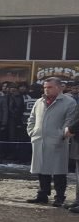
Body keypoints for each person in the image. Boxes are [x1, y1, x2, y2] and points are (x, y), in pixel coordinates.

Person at [26, 77, 78, 207]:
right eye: (45, 87)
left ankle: (59, 197)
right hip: (39, 139)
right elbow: (32, 119)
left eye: (50, 87)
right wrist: (32, 132)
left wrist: (61, 135)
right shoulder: (39, 101)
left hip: (58, 141)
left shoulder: (69, 102)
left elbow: (70, 121)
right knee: (41, 168)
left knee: (58, 170)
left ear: (60, 87)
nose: (46, 90)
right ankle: (42, 194)